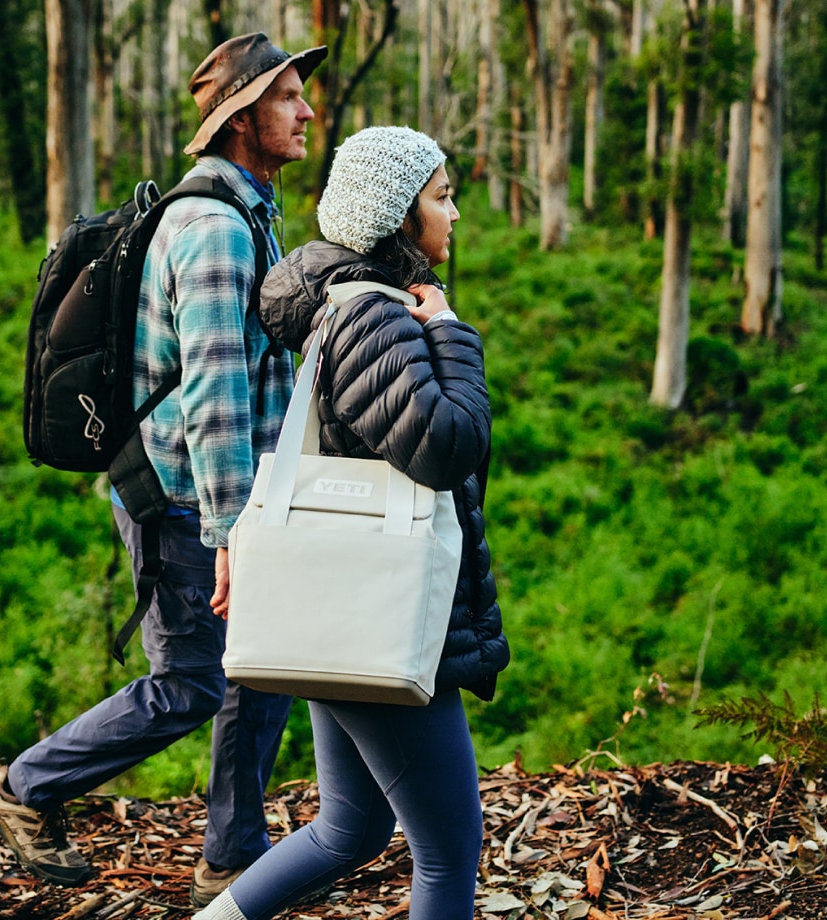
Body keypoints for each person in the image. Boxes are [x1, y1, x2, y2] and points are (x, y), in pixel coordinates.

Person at [0, 32, 328, 907]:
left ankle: (233, 851)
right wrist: (235, 534)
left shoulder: (251, 212)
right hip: (183, 499)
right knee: (191, 683)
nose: (306, 109)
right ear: (241, 118)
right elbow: (212, 397)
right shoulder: (212, 230)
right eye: (286, 96)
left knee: (265, 663)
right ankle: (22, 788)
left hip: (222, 494)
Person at [191, 126, 511, 920]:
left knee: (351, 827)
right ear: (400, 217)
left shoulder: (361, 308)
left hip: (347, 601)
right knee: (447, 853)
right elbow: (444, 445)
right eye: (442, 198)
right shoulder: (377, 318)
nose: (455, 213)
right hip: (383, 612)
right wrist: (450, 334)